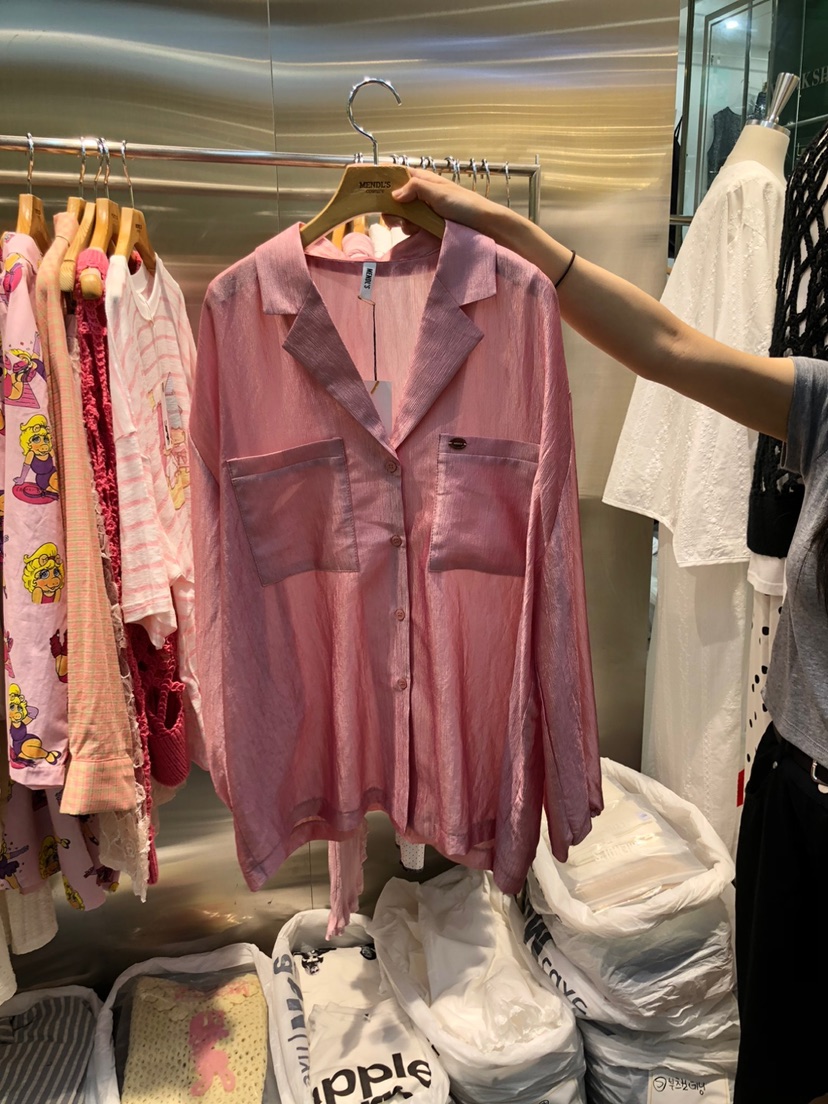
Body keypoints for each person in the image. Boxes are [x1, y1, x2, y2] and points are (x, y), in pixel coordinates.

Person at [391, 169, 828, 1104]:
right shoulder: (826, 405)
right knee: (779, 1066)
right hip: (798, 795)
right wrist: (509, 227)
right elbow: (668, 347)